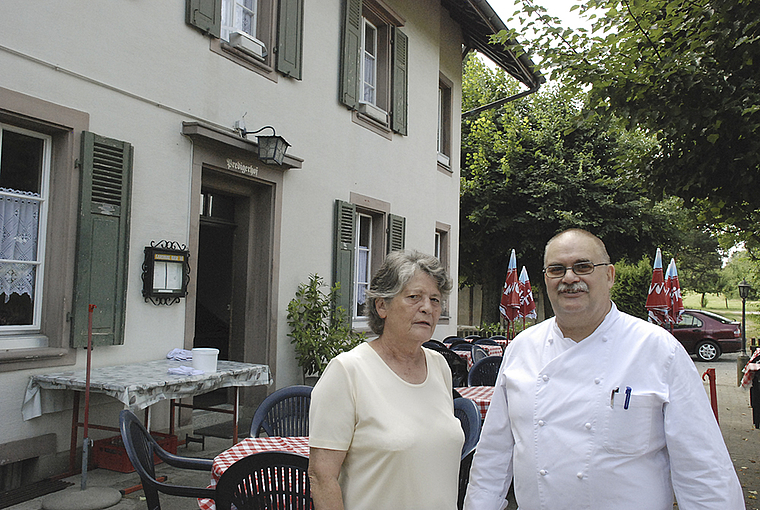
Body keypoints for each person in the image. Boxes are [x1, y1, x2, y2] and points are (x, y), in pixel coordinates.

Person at [464, 228, 744, 510]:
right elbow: (493, 457)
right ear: (546, 279)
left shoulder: (658, 350)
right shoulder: (521, 349)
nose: (570, 278)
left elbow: (703, 470)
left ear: (609, 275)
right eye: (556, 269)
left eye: (583, 266)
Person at [308, 250, 464, 510]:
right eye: (414, 297)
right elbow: (322, 477)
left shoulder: (439, 366)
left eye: (435, 299)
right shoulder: (348, 372)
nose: (427, 307)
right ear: (382, 305)